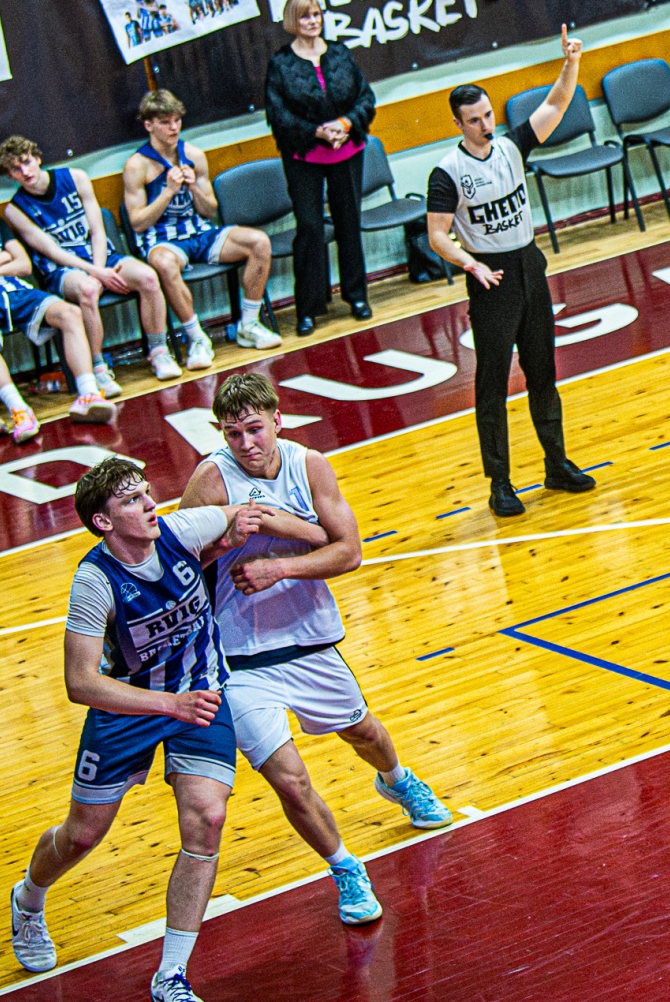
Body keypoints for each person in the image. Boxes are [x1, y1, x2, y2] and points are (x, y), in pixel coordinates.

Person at [3, 458, 290, 998]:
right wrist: (168, 705)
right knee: (81, 835)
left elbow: (243, 513)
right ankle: (29, 898)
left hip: (199, 693)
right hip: (129, 709)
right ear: (103, 522)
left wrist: (236, 536)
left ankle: (171, 975)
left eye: (146, 492)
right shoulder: (94, 582)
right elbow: (80, 683)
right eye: (132, 500)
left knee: (208, 818)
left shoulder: (182, 529)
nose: (151, 504)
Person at [179, 374, 449, 928]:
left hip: (308, 639)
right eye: (232, 433)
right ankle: (345, 867)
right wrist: (224, 542)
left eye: (254, 429)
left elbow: (349, 553)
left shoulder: (310, 466)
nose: (246, 443)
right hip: (239, 657)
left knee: (364, 732)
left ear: (278, 421)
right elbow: (176, 567)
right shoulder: (210, 480)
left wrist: (279, 564)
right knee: (289, 779)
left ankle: (398, 781)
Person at [422, 31, 600, 515]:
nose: (485, 125)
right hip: (491, 279)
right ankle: (499, 482)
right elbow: (437, 235)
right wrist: (469, 262)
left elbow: (556, 104)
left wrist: (570, 62)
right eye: (474, 120)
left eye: (488, 115)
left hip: (529, 266)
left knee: (544, 372)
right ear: (458, 123)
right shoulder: (447, 172)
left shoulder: (512, 147)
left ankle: (556, 464)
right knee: (493, 386)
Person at [0, 132, 185, 385]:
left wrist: (98, 269)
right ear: (10, 176)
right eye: (16, 169)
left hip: (101, 256)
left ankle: (159, 351)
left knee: (148, 277)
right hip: (63, 269)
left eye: (27, 162)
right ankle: (98, 368)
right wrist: (96, 274)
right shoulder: (15, 209)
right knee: (87, 289)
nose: (25, 172)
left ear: (38, 158)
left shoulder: (76, 178)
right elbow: (53, 251)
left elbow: (97, 230)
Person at [0, 176, 105, 439]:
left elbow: (23, 265)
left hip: (16, 290)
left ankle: (88, 393)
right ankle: (19, 409)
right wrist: (2, 257)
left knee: (70, 313)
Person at [267, 0, 378, 334]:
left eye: (316, 14)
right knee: (310, 228)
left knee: (349, 223)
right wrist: (317, 132)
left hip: (347, 150)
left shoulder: (341, 53)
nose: (312, 21)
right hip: (305, 156)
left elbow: (365, 98)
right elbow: (278, 115)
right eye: (305, 16)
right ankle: (309, 307)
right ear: (292, 21)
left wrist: (344, 124)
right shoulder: (280, 64)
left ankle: (356, 296)